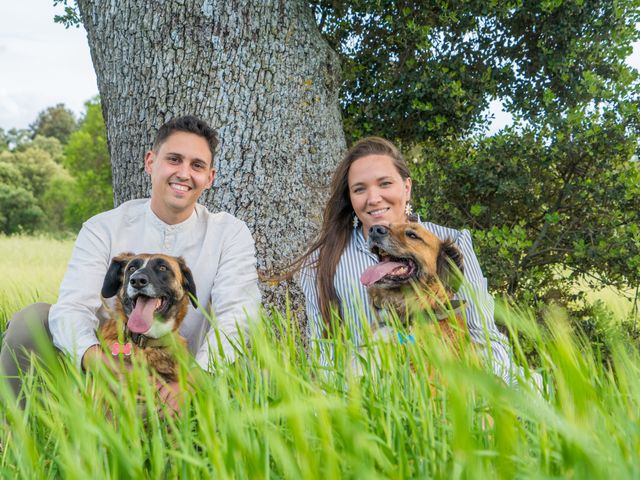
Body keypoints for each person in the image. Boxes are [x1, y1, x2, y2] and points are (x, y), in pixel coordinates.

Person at [0, 115, 261, 409]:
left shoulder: (229, 233)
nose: (184, 173)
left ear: (209, 177)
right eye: (174, 159)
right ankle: (13, 439)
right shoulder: (103, 228)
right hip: (108, 361)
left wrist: (191, 380)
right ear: (151, 162)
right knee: (31, 320)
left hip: (186, 372)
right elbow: (73, 306)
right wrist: (98, 361)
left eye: (197, 165)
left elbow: (237, 315)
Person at [297, 136, 526, 385]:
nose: (373, 198)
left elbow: (484, 336)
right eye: (359, 189)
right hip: (366, 388)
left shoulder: (450, 241)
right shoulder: (322, 260)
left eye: (384, 183)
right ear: (350, 197)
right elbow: (324, 351)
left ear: (406, 187)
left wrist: (501, 388)